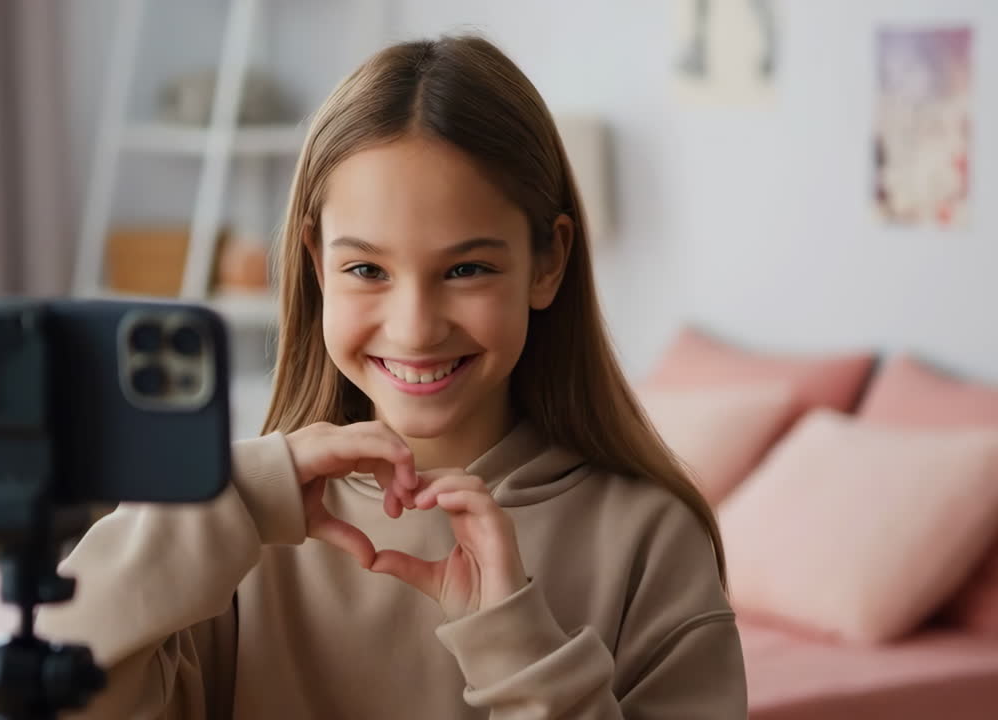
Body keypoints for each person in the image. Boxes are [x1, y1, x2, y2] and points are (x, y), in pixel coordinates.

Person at [39, 34, 747, 719]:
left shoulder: (653, 542)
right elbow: (47, 687)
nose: (414, 327)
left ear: (547, 262)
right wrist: (236, 499)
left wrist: (517, 646)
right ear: (317, 264)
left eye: (466, 269)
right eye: (366, 270)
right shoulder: (235, 538)